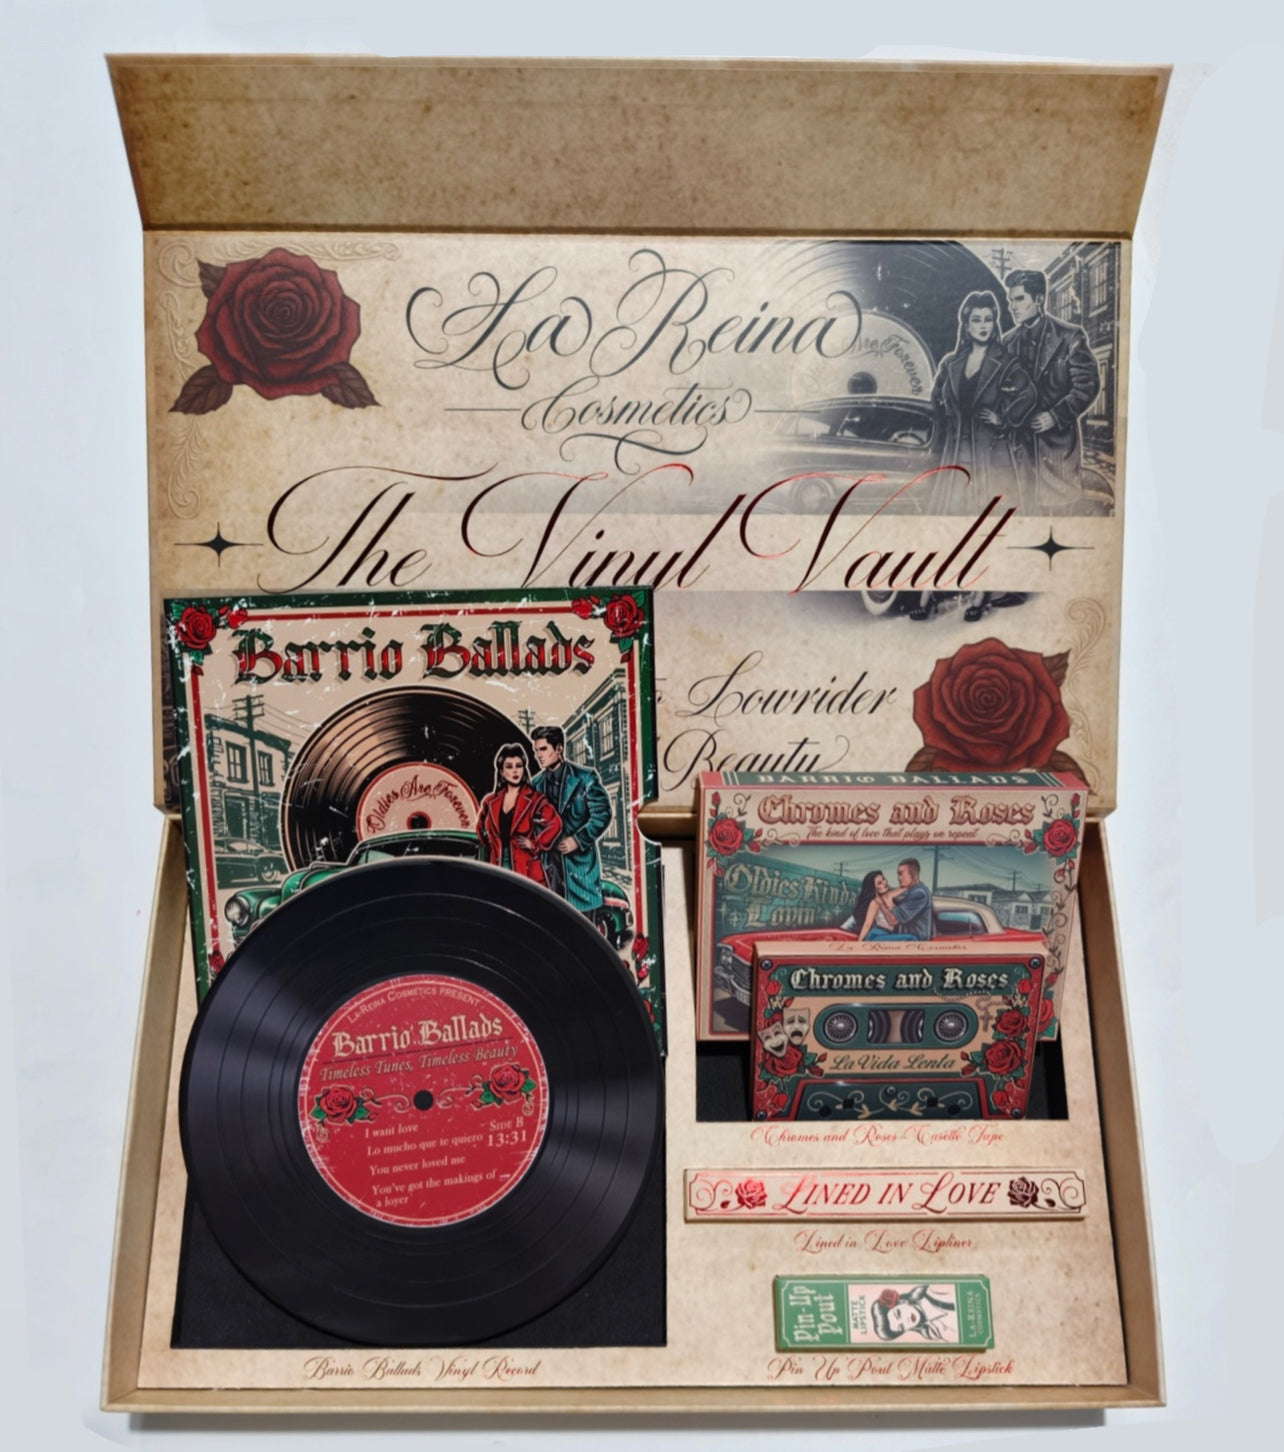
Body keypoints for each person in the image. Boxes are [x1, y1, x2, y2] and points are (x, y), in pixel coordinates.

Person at [1003, 269, 1101, 513]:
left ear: (1039, 299)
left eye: (1019, 299)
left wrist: (1055, 416)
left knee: (1057, 521)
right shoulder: (1007, 342)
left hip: (1056, 453)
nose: (1012, 307)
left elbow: (1087, 385)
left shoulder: (1069, 337)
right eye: (1010, 300)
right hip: (1017, 454)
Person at [931, 290, 1036, 512]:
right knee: (954, 516)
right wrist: (940, 440)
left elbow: (1029, 394)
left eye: (988, 319)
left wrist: (1004, 419)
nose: (983, 326)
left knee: (992, 517)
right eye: (976, 320)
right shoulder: (950, 363)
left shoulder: (1006, 362)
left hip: (991, 457)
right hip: (956, 454)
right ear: (966, 325)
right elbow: (937, 401)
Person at [530, 724, 612, 917]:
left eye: (543, 749)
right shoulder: (535, 784)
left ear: (559, 748)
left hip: (580, 873)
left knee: (583, 929)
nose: (538, 755)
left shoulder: (585, 778)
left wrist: (578, 840)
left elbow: (602, 814)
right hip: (548, 872)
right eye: (536, 750)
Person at [475, 744, 563, 888]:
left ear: (524, 769)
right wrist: (493, 845)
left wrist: (535, 844)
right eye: (509, 767)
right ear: (502, 772)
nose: (515, 770)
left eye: (519, 765)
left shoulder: (535, 799)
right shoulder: (490, 801)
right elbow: (480, 830)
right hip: (497, 867)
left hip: (527, 871)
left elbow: (556, 824)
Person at [842, 870, 915, 941]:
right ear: (874, 888)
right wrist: (859, 943)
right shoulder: (875, 902)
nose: (884, 883)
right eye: (879, 883)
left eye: (883, 879)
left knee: (912, 939)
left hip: (888, 935)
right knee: (911, 938)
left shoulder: (890, 895)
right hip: (877, 935)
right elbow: (867, 924)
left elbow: (906, 887)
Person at [870, 1285, 959, 1342]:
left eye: (899, 1313)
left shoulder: (933, 1289)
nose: (906, 1320)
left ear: (902, 1302)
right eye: (902, 1327)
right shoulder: (934, 1332)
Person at [887, 858, 933, 941]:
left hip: (916, 942)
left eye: (901, 874)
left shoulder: (919, 893)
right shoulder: (913, 891)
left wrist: (887, 899)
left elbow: (893, 920)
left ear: (913, 874)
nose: (898, 878)